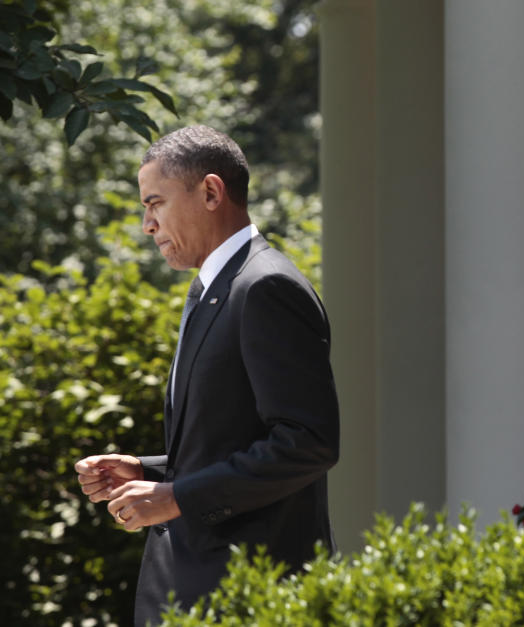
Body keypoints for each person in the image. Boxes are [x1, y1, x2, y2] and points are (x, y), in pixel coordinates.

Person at [75, 125, 339, 625]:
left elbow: (308, 443)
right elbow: (234, 438)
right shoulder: (217, 287)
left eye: (155, 203)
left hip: (248, 597)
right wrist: (149, 471)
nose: (148, 225)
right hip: (198, 592)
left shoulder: (266, 287)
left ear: (211, 192)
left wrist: (176, 498)